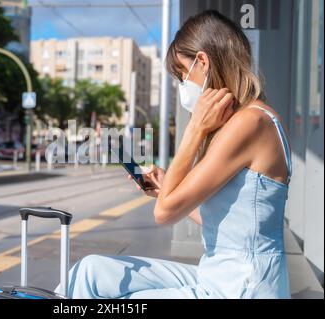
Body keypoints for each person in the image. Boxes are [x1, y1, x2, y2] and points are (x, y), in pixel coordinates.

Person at [57, 10, 291, 299]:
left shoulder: (250, 123)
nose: (183, 86)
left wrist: (195, 129)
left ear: (202, 62)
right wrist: (166, 186)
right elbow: (227, 223)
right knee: (90, 272)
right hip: (220, 275)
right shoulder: (242, 122)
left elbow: (164, 214)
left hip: (242, 287)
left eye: (182, 74)